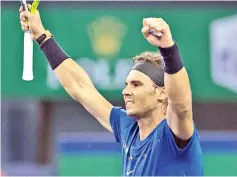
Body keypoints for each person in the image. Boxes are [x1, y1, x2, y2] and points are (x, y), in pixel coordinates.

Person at [19, 5, 203, 176]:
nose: (125, 91)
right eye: (127, 84)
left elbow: (181, 105)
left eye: (136, 84)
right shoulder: (128, 128)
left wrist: (168, 48)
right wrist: (42, 36)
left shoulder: (173, 132)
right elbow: (81, 88)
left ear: (162, 93)